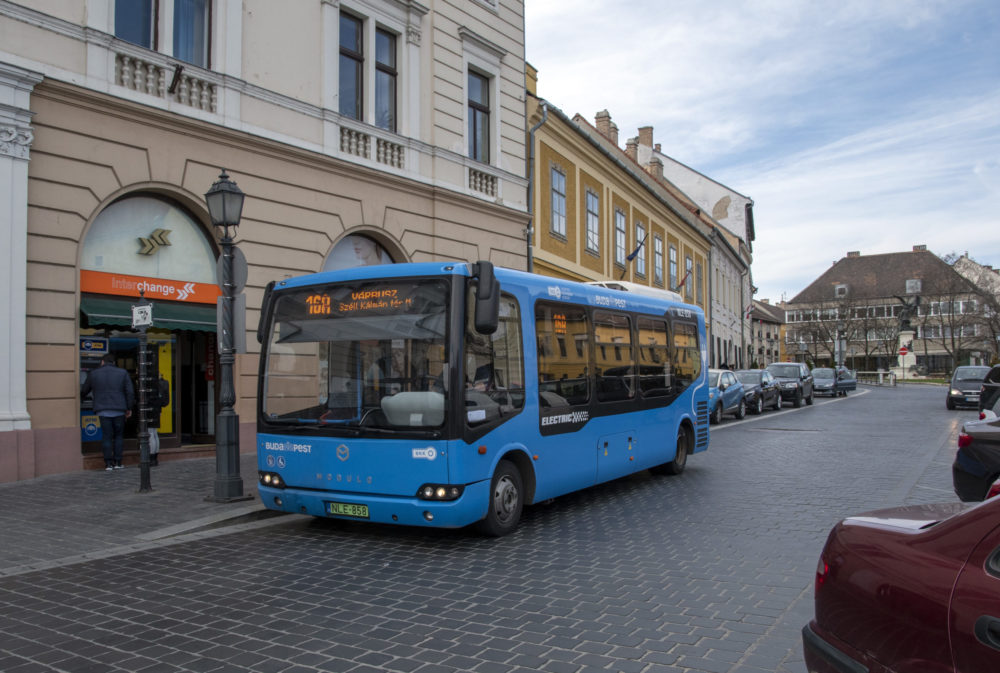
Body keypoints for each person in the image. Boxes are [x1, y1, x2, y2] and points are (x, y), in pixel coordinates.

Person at [81, 353, 135, 471]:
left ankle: (108, 463)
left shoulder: (94, 373)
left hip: (102, 409)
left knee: (106, 436)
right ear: (114, 363)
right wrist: (129, 408)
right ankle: (118, 462)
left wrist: (81, 400)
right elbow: (130, 392)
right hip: (119, 409)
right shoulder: (123, 373)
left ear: (102, 362)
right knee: (119, 436)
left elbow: (84, 390)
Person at [148, 374, 169, 466]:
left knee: (150, 433)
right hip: (158, 409)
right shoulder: (163, 382)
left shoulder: (152, 383)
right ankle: (155, 457)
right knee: (154, 433)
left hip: (150, 409)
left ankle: (151, 457)